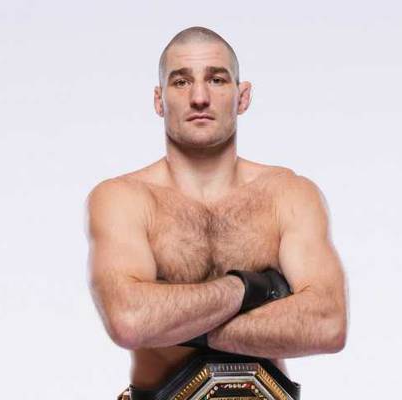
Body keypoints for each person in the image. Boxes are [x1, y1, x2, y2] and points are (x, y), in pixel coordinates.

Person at [85, 26, 348, 400]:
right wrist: (252, 289)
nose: (199, 97)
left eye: (217, 79)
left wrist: (169, 323)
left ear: (243, 96)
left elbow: (328, 324)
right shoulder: (123, 199)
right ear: (159, 100)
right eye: (181, 82)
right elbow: (129, 320)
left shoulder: (288, 194)